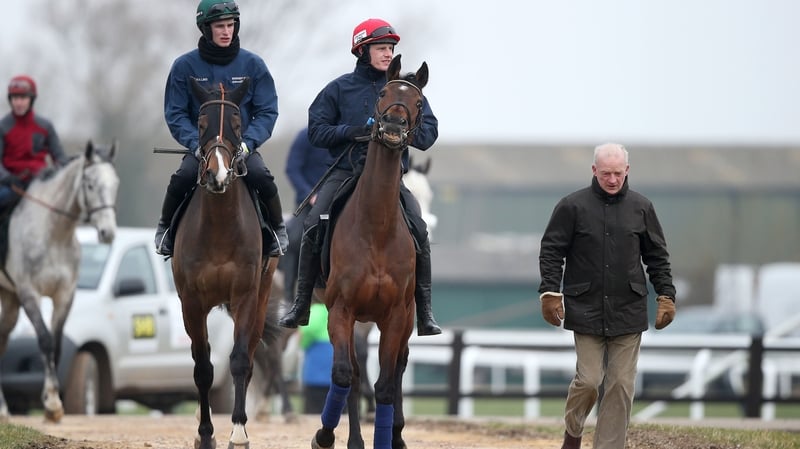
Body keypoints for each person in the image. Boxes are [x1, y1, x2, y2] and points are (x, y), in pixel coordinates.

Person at [278, 18, 441, 336]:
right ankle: (299, 304)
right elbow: (316, 130)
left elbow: (429, 133)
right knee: (312, 225)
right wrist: (352, 132)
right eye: (381, 48)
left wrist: (405, 129)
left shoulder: (405, 90)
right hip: (344, 173)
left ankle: (425, 310)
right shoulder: (338, 89)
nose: (387, 53)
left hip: (392, 180)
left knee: (420, 228)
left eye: (390, 48)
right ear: (362, 51)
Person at [538, 143, 677, 449]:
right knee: (588, 381)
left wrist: (666, 294)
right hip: (585, 308)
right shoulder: (571, 206)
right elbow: (551, 250)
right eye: (606, 173)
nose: (612, 179)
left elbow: (657, 256)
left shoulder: (642, 207)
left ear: (627, 171)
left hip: (629, 309)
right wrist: (550, 291)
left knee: (620, 386)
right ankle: (573, 432)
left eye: (617, 173)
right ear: (594, 171)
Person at [154, 0, 287, 257]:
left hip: (241, 148)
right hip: (202, 150)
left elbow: (267, 111)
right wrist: (194, 144)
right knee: (182, 177)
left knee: (261, 175)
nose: (227, 31)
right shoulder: (183, 67)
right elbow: (175, 114)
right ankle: (165, 230)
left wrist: (248, 144)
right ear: (206, 29)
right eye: (220, 26)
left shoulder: (254, 65)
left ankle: (277, 231)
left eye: (230, 25)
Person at [0, 75, 67, 215]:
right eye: (15, 98)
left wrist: (50, 174)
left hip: (40, 182)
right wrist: (8, 178)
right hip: (11, 185)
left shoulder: (45, 126)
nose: (18, 103)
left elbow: (61, 159)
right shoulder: (3, 127)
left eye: (23, 98)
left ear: (31, 100)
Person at [280, 127, 333, 303]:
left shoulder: (340, 135)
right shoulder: (305, 136)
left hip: (337, 199)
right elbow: (292, 169)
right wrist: (310, 194)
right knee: (293, 239)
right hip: (309, 203)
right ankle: (289, 298)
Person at [299, 298, 334, 414]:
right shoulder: (335, 310)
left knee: (314, 412)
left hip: (315, 374)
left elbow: (306, 332)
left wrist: (303, 343)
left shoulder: (314, 311)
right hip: (337, 374)